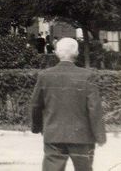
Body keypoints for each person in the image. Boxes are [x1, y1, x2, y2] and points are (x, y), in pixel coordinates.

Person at [30, 37, 106, 171]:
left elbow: (36, 105)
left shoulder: (45, 76)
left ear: (57, 53)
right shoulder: (87, 76)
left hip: (54, 135)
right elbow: (94, 108)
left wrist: (37, 127)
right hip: (82, 137)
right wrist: (99, 135)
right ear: (76, 53)